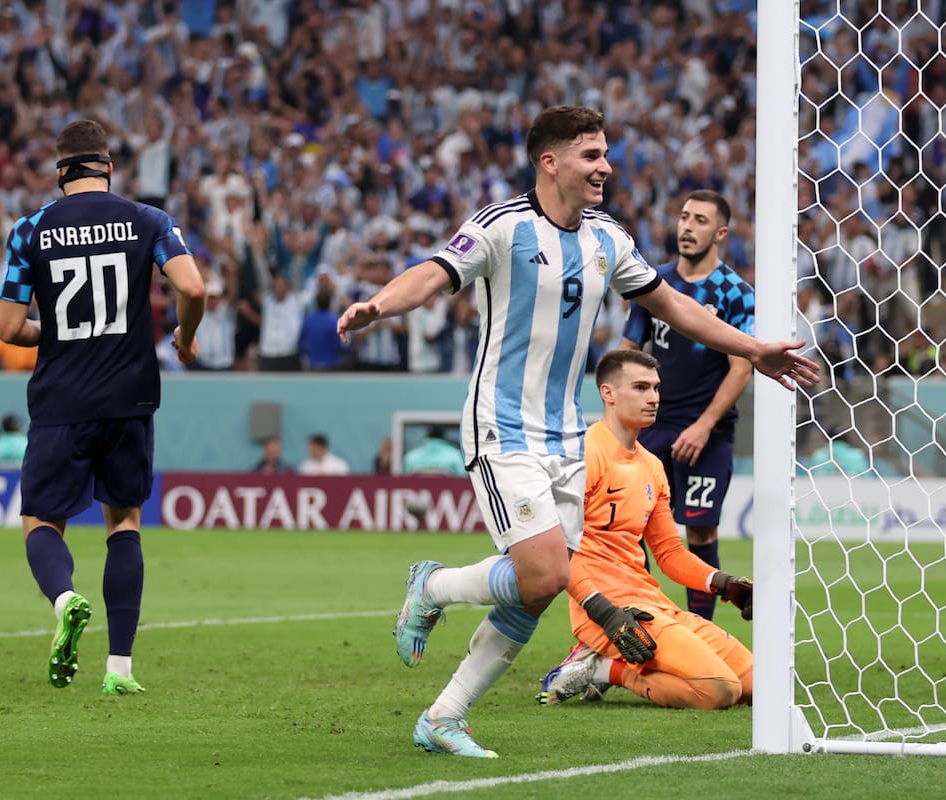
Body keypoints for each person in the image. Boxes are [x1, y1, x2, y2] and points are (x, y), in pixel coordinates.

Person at [337, 105, 817, 758]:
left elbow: (673, 305)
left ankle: (443, 717)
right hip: (502, 428)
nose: (606, 167)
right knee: (543, 574)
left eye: (606, 153)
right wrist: (379, 304)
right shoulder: (500, 228)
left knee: (539, 588)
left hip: (565, 436)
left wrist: (754, 349)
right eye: (591, 156)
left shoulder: (607, 240)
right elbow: (431, 273)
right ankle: (433, 588)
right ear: (550, 162)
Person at [0, 119, 205, 696]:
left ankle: (65, 598)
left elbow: (9, 328)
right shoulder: (148, 220)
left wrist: (59, 329)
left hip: (61, 398)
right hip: (129, 396)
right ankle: (120, 669)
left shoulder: (30, 229)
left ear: (60, 172)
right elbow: (194, 288)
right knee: (125, 522)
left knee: (42, 522)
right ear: (109, 167)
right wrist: (185, 339)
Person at [536, 349, 752, 708]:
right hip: (608, 613)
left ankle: (611, 664)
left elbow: (670, 554)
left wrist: (724, 583)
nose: (653, 398)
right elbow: (560, 551)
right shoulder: (583, 455)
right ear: (608, 393)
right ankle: (603, 669)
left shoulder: (652, 466)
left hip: (652, 604)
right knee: (720, 691)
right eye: (640, 387)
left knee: (756, 686)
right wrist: (604, 613)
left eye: (655, 388)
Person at [620, 189, 752, 620]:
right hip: (652, 429)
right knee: (630, 527)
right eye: (683, 216)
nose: (687, 227)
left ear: (720, 233)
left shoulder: (736, 293)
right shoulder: (653, 282)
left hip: (707, 433)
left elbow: (741, 367)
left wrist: (702, 425)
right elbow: (627, 352)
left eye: (699, 220)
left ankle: (701, 633)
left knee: (699, 528)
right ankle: (639, 622)